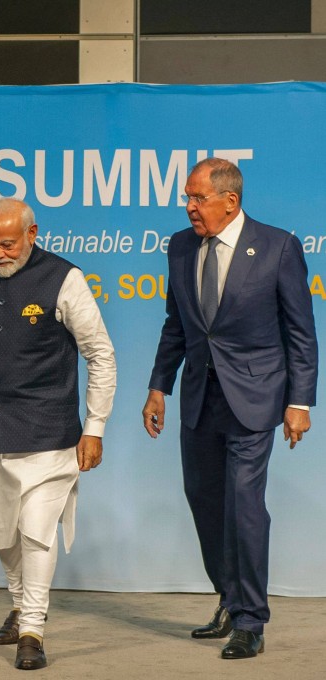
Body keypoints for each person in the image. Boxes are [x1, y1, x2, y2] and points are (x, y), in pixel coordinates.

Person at [142, 158, 317, 660]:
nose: (189, 207)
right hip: (200, 397)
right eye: (188, 198)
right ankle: (229, 596)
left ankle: (250, 620)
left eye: (198, 198)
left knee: (244, 506)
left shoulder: (278, 247)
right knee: (205, 501)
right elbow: (176, 323)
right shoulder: (179, 246)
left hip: (256, 397)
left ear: (230, 200)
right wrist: (159, 386)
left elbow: (301, 334)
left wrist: (299, 401)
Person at [0, 198, 115, 671]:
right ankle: (19, 607)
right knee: (3, 532)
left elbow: (100, 354)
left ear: (32, 233)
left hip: (49, 433)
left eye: (7, 243)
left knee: (37, 533)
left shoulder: (65, 278)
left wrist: (95, 427)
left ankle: (33, 630)